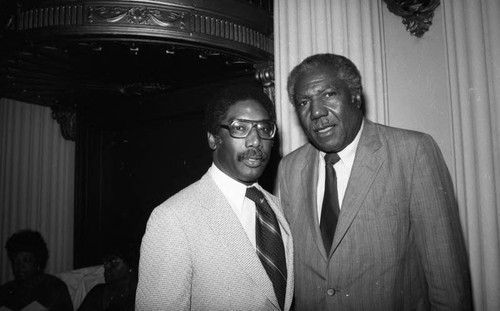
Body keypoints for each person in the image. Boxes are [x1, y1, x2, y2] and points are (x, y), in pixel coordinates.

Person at [277, 53, 472, 310]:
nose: (316, 111)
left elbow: (448, 281)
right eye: (304, 102)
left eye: (328, 94)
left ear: (355, 96)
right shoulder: (290, 167)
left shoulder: (412, 152)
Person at [135, 84, 294, 311]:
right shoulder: (172, 219)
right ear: (213, 139)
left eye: (264, 129)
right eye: (239, 128)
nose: (255, 141)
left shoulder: (278, 208)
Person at [0, 229, 73, 311]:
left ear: (38, 261)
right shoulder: (6, 291)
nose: (20, 266)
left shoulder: (55, 288)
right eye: (16, 261)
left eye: (26, 260)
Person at [77, 243, 138, 311]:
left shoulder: (139, 297)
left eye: (114, 262)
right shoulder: (98, 292)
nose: (107, 267)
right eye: (105, 262)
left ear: (130, 265)